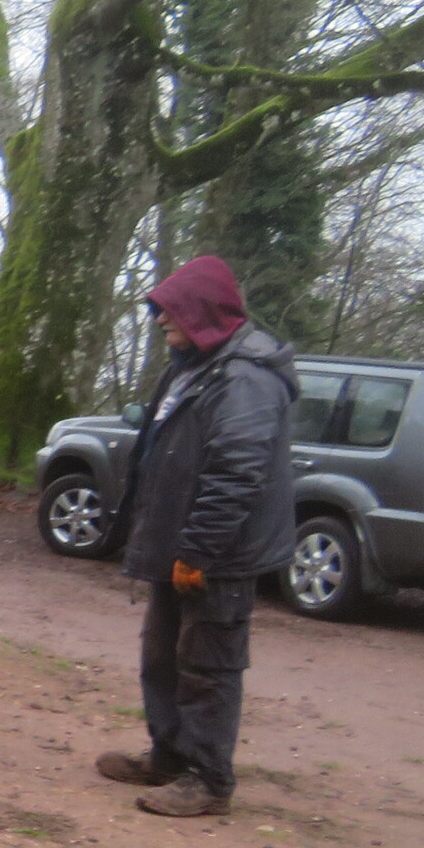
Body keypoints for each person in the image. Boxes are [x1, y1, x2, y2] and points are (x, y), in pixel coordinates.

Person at [97, 253, 296, 817]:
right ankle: (169, 756)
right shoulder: (196, 366)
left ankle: (209, 781)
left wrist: (199, 550)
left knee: (208, 664)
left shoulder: (246, 377)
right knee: (161, 654)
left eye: (171, 310)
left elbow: (236, 472)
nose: (161, 320)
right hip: (180, 545)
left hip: (218, 553)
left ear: (204, 312)